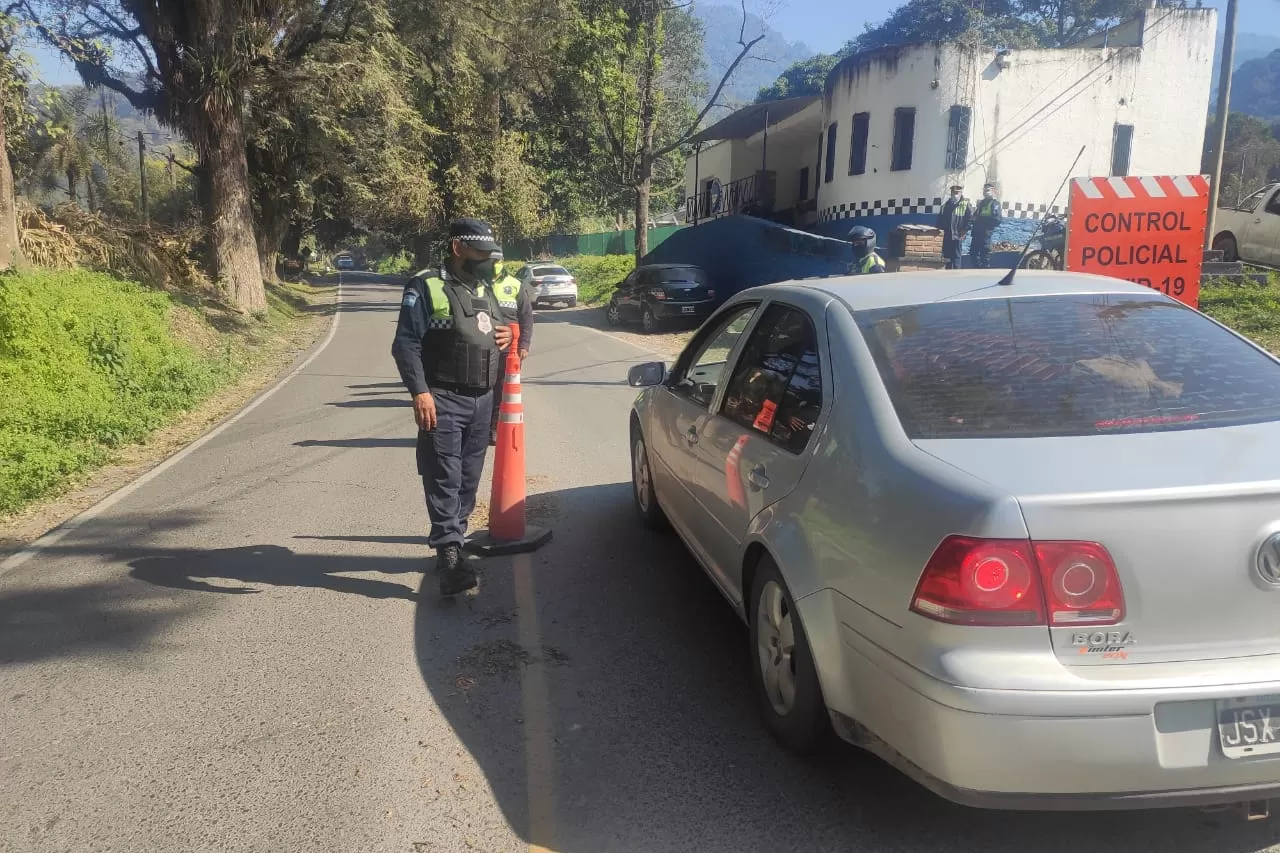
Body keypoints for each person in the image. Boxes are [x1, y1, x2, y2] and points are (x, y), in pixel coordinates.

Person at [391, 218, 514, 597]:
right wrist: (420, 392)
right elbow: (405, 344)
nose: (488, 261)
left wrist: (509, 336)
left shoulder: (485, 288)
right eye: (481, 253)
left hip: (482, 400)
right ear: (458, 248)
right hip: (442, 397)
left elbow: (499, 330)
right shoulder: (426, 285)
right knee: (444, 475)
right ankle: (449, 555)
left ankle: (453, 541)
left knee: (468, 478)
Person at [487, 259, 534, 446]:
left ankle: (494, 428)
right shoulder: (476, 282)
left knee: (502, 389)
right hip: (483, 346)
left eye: (497, 260)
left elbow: (526, 317)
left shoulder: (515, 285)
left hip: (509, 350)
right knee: (484, 388)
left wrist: (524, 345)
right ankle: (480, 427)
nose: (493, 264)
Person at [937, 184, 971, 270]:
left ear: (961, 193)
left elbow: (970, 220)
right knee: (947, 257)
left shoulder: (965, 205)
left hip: (958, 235)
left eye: (957, 192)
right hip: (947, 236)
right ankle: (948, 274)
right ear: (951, 193)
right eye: (954, 192)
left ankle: (957, 274)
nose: (955, 195)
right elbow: (940, 220)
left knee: (956, 257)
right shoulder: (945, 205)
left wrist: (964, 231)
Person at [969, 182, 1002, 269]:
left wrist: (983, 221)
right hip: (976, 233)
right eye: (984, 190)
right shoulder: (981, 203)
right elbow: (975, 217)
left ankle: (984, 272)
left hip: (985, 233)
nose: (985, 192)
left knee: (985, 255)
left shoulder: (995, 203)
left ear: (993, 191)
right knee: (973, 253)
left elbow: (997, 220)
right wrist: (972, 221)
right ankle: (977, 270)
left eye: (988, 190)